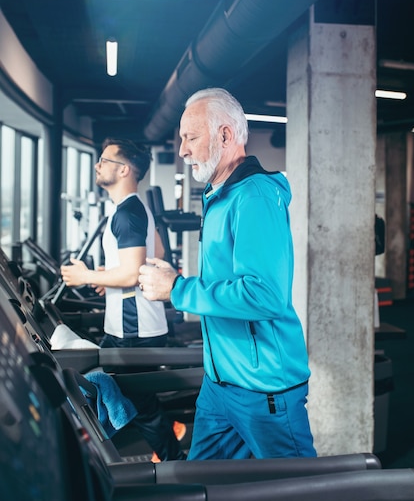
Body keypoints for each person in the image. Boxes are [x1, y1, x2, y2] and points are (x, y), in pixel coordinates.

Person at [138, 88, 316, 461]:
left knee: (301, 489)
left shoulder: (255, 197)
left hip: (264, 388)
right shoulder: (219, 196)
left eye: (191, 137)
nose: (183, 150)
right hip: (220, 385)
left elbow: (263, 294)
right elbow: (225, 282)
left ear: (224, 135)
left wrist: (178, 289)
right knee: (200, 484)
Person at [61, 137, 186, 461]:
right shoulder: (131, 208)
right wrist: (109, 276)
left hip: (134, 329)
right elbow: (153, 254)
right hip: (131, 326)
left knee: (138, 404)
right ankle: (170, 444)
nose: (97, 165)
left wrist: (87, 276)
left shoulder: (127, 214)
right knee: (123, 394)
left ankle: (174, 463)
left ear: (124, 169)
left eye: (104, 160)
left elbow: (132, 274)